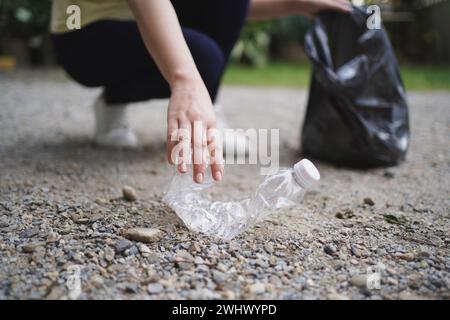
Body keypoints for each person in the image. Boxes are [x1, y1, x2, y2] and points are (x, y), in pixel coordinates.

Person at [51, 0, 351, 184]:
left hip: (144, 24)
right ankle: (116, 105)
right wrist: (185, 79)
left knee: (204, 51)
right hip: (83, 36)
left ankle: (207, 113)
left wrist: (295, 3)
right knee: (201, 58)